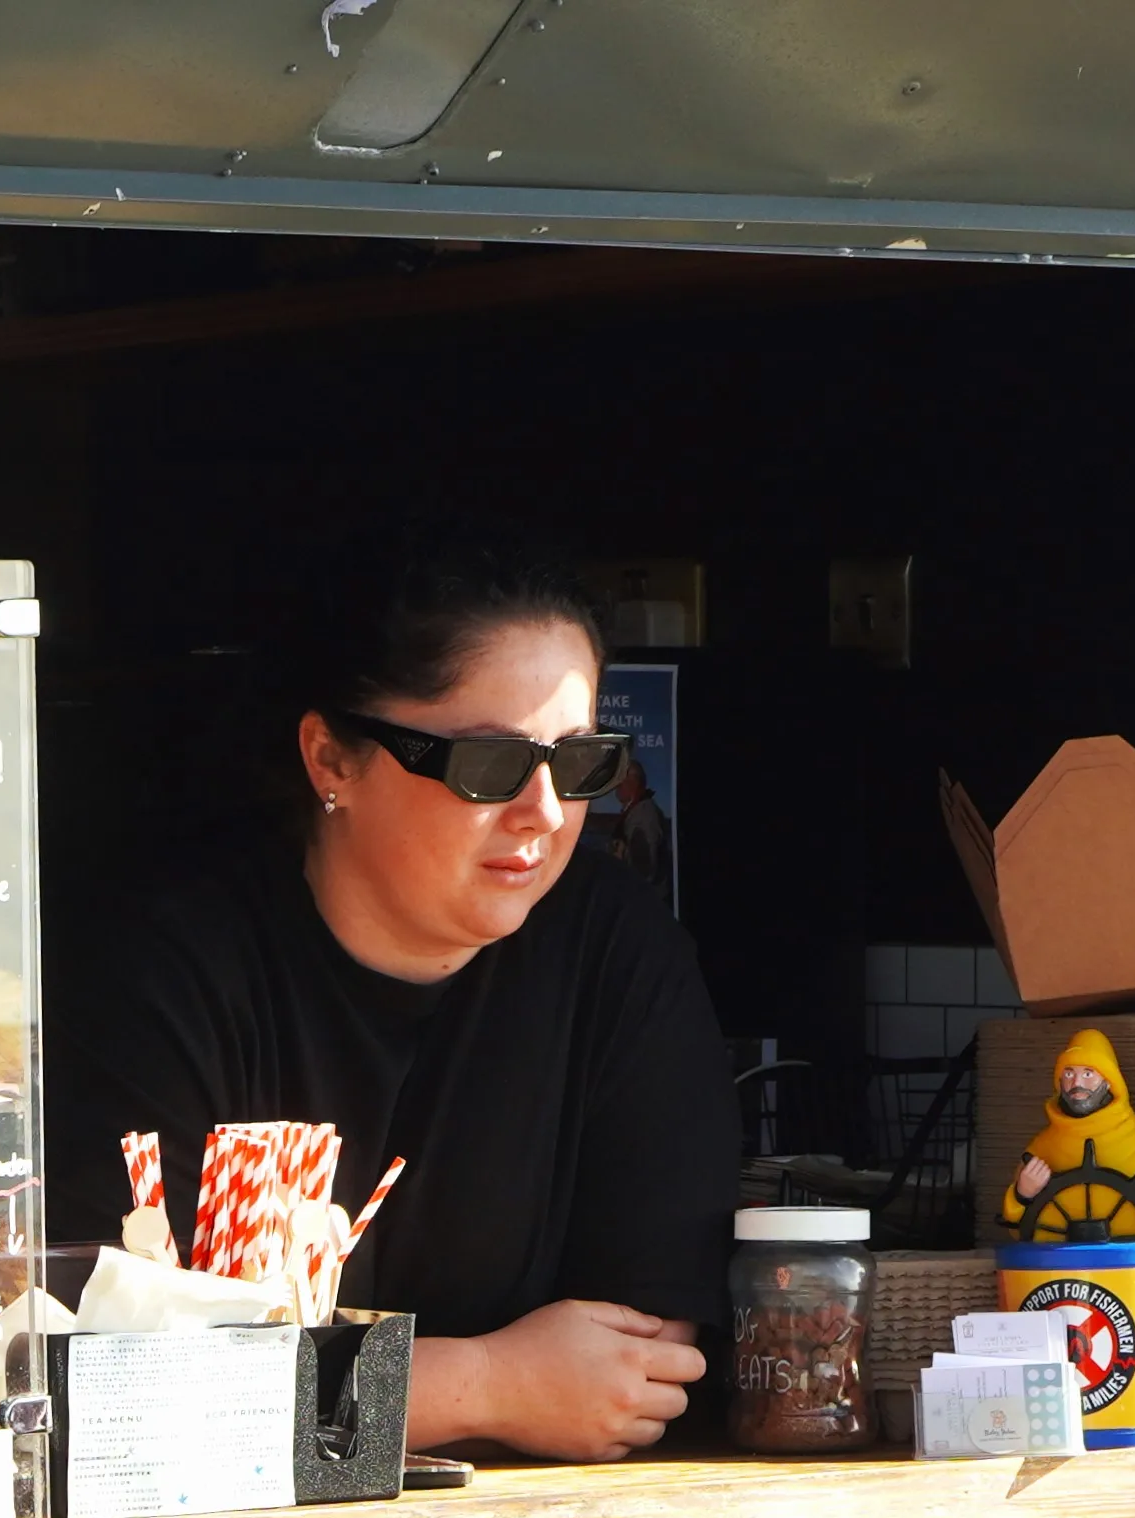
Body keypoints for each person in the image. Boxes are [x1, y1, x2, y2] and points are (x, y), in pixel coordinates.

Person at [55, 544, 737, 1461]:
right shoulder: (167, 969)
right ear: (332, 758)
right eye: (490, 763)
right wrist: (488, 1383)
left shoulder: (614, 949)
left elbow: (634, 1375)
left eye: (581, 763)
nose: (543, 810)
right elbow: (111, 1380)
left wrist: (322, 1386)